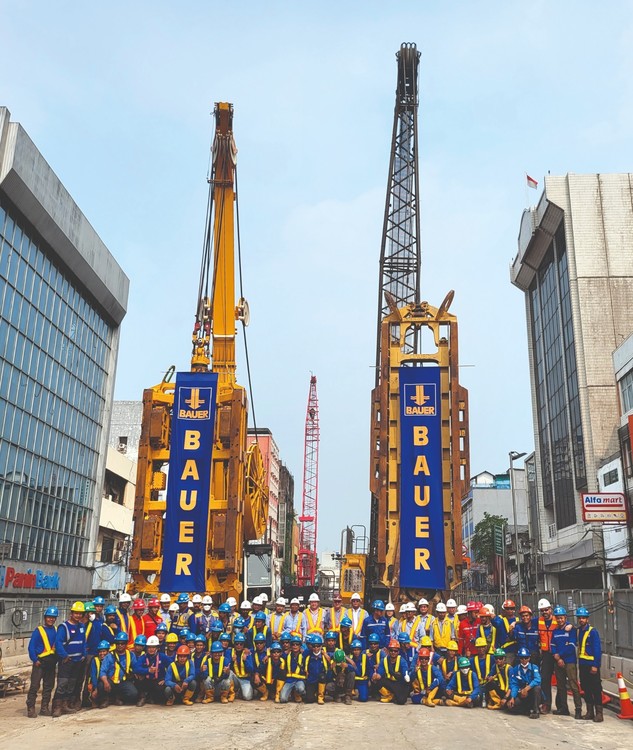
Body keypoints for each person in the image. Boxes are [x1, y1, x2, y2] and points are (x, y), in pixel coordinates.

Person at [52, 601, 87, 717]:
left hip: (78, 661)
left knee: (71, 684)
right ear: (71, 613)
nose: (78, 616)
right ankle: (57, 707)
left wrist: (83, 655)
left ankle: (65, 705)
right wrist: (65, 656)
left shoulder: (81, 626)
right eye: (76, 613)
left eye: (80, 614)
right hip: (67, 661)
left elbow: (83, 642)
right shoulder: (64, 627)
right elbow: (58, 643)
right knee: (62, 684)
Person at [550, 605, 582, 719]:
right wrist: (557, 658)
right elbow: (552, 645)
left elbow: (571, 645)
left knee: (573, 686)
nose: (559, 620)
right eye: (557, 618)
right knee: (561, 686)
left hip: (570, 661)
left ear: (565, 617)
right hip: (558, 662)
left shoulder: (571, 630)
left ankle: (578, 709)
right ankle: (564, 709)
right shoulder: (555, 631)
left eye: (561, 618)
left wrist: (560, 655)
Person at [26, 606, 59, 717]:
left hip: (51, 662)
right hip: (40, 662)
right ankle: (31, 708)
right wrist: (35, 660)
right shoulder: (38, 631)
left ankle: (44, 708)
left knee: (48, 686)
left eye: (53, 618)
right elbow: (31, 647)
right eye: (49, 617)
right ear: (45, 618)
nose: (51, 619)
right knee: (35, 686)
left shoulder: (56, 630)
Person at [576, 606, 603, 722]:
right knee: (586, 689)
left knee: (596, 689)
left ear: (587, 619)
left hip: (591, 665)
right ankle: (590, 712)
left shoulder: (593, 632)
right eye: (579, 618)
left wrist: (595, 665)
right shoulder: (579, 631)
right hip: (582, 665)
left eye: (583, 618)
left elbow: (597, 649)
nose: (581, 620)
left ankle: (599, 714)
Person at [99, 632, 138, 706]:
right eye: (118, 643)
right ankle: (105, 700)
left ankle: (119, 698)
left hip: (123, 682)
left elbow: (136, 667)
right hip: (111, 681)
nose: (120, 645)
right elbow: (103, 671)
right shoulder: (109, 656)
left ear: (126, 644)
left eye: (122, 643)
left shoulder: (131, 655)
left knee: (133, 693)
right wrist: (105, 682)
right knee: (101, 685)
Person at [134, 635, 168, 705]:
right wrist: (147, 670)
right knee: (139, 679)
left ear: (157, 648)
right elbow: (136, 668)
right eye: (149, 647)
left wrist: (166, 679)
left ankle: (152, 697)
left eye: (153, 647)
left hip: (159, 680)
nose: (151, 649)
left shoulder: (162, 656)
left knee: (161, 690)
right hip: (147, 680)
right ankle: (143, 697)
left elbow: (172, 667)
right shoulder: (143, 657)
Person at [536, 598, 556, 713]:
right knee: (545, 679)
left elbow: (566, 625)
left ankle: (562, 706)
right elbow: (526, 622)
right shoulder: (538, 621)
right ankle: (546, 704)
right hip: (546, 654)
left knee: (561, 681)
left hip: (557, 654)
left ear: (550, 609)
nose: (544, 612)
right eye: (542, 610)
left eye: (546, 610)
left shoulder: (557, 620)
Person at [508, 646, 541, 718]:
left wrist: (527, 689)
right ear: (519, 658)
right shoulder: (516, 669)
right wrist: (512, 697)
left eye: (526, 657)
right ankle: (527, 710)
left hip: (532, 693)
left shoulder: (534, 667)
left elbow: (538, 679)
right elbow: (514, 684)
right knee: (512, 706)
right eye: (522, 658)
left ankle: (536, 710)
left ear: (529, 658)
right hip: (522, 694)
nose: (524, 660)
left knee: (537, 688)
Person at [376, 638, 410, 704]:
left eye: (395, 651)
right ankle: (389, 695)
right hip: (389, 682)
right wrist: (377, 676)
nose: (393, 652)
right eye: (391, 650)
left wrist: (405, 676)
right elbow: (380, 672)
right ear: (388, 651)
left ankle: (394, 696)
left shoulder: (402, 661)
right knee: (378, 682)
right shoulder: (384, 660)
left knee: (401, 701)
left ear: (398, 652)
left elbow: (405, 671)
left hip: (399, 683)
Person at [280, 634, 307, 703]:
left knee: (300, 689)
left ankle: (296, 694)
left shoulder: (304, 655)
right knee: (283, 699)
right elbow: (276, 654)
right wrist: (268, 655)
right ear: (290, 646)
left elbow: (313, 650)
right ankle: (291, 693)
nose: (295, 646)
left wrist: (323, 652)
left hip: (299, 680)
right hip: (289, 680)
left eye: (297, 644)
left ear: (300, 646)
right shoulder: (286, 655)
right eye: (293, 644)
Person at [304, 634, 328, 704]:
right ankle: (315, 694)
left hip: (321, 680)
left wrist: (325, 654)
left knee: (322, 676)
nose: (316, 648)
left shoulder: (324, 656)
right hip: (311, 680)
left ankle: (321, 696)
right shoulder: (308, 656)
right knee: (309, 699)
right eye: (314, 646)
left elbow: (331, 662)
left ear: (321, 646)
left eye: (318, 646)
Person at [231, 632, 254, 700]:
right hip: (235, 678)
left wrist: (245, 661)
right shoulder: (230, 652)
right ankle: (231, 692)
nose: (239, 646)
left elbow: (251, 670)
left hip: (245, 679)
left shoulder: (247, 653)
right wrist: (232, 661)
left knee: (247, 697)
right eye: (237, 644)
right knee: (228, 673)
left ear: (244, 645)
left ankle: (241, 690)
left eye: (241, 644)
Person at [493, 600, 518, 664]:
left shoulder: (518, 620)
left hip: (517, 650)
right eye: (507, 609)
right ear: (504, 610)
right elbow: (494, 622)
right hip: (506, 651)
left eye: (511, 608)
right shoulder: (500, 621)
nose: (510, 610)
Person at [87, 641, 110, 708]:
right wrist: (95, 688)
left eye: (104, 651)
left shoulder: (111, 659)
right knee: (90, 687)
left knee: (105, 685)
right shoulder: (95, 660)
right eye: (100, 651)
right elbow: (93, 675)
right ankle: (94, 700)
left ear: (108, 652)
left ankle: (107, 699)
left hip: (106, 682)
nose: (102, 653)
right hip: (96, 682)